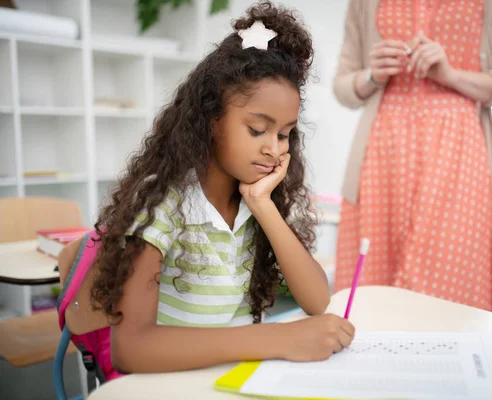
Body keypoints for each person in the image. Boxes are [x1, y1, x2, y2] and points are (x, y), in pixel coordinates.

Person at [90, 2, 355, 373]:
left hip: (234, 378)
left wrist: (263, 208)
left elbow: (316, 301)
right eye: (257, 129)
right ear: (211, 119)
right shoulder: (162, 204)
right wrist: (279, 339)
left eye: (284, 134)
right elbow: (131, 349)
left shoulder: (254, 197)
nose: (273, 148)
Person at [333, 0, 492, 312]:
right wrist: (373, 75)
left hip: (458, 153)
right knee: (374, 287)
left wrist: (451, 75)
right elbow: (342, 86)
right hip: (383, 154)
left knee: (447, 288)